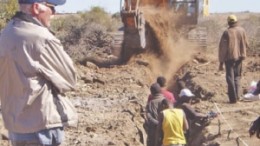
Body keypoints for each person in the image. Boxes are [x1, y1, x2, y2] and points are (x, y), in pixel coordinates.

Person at [0, 0, 78, 146]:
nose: (54, 14)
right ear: (36, 7)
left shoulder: (5, 34)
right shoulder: (42, 38)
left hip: (15, 125)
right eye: (52, 8)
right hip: (41, 126)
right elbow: (70, 79)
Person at [218, 14, 249, 104]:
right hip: (240, 57)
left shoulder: (226, 32)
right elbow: (246, 44)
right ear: (236, 22)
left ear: (228, 22)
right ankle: (238, 96)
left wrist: (221, 62)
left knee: (230, 78)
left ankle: (233, 99)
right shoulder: (242, 30)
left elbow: (223, 49)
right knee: (237, 77)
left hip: (230, 58)